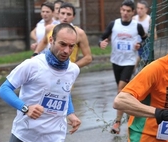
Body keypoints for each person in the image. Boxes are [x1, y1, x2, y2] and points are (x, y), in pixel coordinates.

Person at [99, 0, 147, 134]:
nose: (125, 13)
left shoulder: (137, 26)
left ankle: (117, 122)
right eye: (123, 10)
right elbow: (102, 38)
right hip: (116, 61)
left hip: (130, 62)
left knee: (121, 89)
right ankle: (128, 110)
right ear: (120, 10)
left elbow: (145, 39)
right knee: (121, 90)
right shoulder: (114, 24)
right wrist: (101, 43)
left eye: (128, 11)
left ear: (133, 12)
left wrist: (140, 45)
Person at [33, 2, 92, 68]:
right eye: (63, 13)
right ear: (58, 14)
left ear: (73, 17)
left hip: (66, 71)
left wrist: (71, 68)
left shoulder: (79, 33)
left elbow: (88, 58)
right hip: (48, 67)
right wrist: (35, 53)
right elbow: (44, 42)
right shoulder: (49, 28)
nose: (65, 17)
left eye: (69, 14)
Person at [132, 0, 157, 70]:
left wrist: (146, 37)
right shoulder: (134, 19)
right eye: (138, 8)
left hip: (145, 44)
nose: (139, 10)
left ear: (146, 10)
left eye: (141, 8)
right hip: (135, 44)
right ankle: (132, 72)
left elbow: (155, 36)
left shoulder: (149, 19)